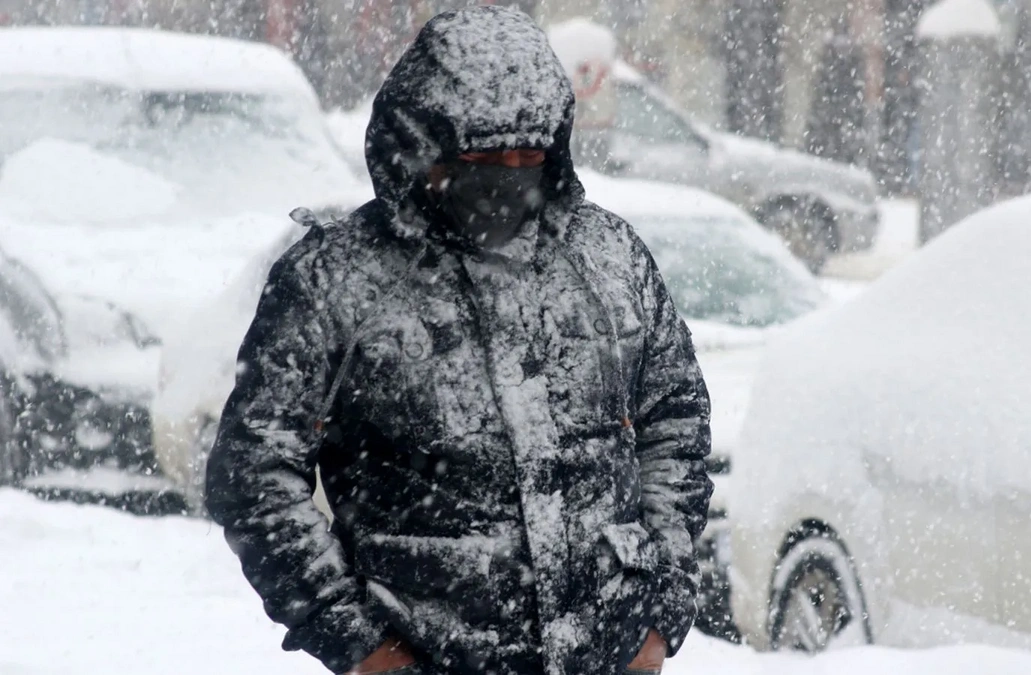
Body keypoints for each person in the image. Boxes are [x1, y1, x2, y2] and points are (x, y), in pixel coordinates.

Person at [203, 6, 713, 675]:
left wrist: (658, 608)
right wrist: (356, 640)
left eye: (527, 156)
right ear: (421, 146)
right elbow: (254, 473)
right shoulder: (338, 278)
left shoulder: (607, 256)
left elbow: (675, 421)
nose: (508, 175)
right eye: (483, 158)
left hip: (605, 655)